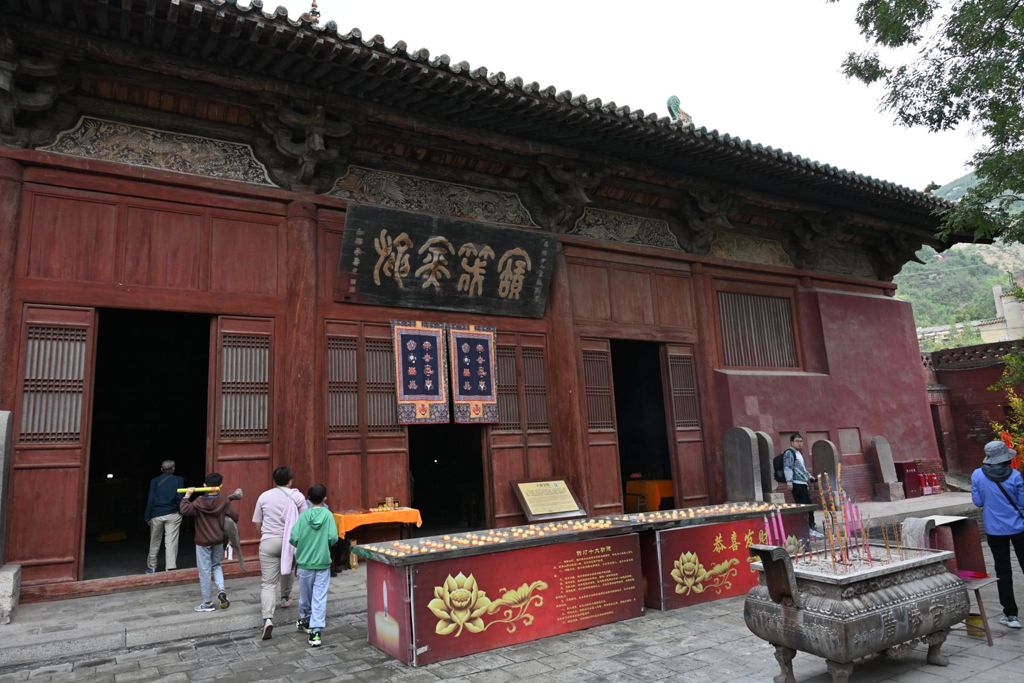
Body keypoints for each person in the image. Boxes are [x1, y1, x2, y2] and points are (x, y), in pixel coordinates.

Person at [971, 440, 1024, 629]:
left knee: (1003, 571)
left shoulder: (977, 475)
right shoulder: (1016, 476)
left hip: (994, 530)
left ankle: (1011, 615)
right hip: (1019, 528)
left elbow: (977, 501)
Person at [253, 466, 308, 640]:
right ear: (291, 480)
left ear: (274, 480)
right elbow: (304, 521)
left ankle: (268, 619)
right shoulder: (297, 496)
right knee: (288, 568)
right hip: (290, 542)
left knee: (268, 583)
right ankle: (285, 598)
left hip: (269, 541)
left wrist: (265, 534)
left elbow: (257, 522)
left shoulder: (264, 496)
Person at [179, 472, 238, 613]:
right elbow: (234, 516)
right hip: (218, 539)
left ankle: (207, 603)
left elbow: (184, 509)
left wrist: (187, 495)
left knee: (204, 571)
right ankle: (222, 591)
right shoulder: (224, 500)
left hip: (203, 541)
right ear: (220, 486)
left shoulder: (199, 501)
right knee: (216, 565)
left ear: (205, 486)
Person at [290, 483, 339, 648]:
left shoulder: (303, 516)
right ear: (325, 498)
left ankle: (305, 619)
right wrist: (323, 544)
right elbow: (333, 537)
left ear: (308, 498)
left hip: (304, 563)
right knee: (319, 597)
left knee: (305, 596)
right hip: (323, 562)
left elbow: (294, 537)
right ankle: (315, 631)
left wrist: (305, 545)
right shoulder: (328, 515)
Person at [144, 459, 184, 574]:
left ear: (161, 469)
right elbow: (179, 498)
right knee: (171, 542)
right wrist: (181, 511)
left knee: (154, 541)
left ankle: (152, 567)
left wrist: (147, 516)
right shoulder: (178, 480)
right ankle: (170, 567)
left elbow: (150, 499)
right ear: (173, 469)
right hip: (172, 514)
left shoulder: (154, 481)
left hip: (156, 514)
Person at [783, 433, 817, 531]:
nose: (800, 443)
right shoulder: (789, 453)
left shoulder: (798, 453)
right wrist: (789, 482)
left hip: (803, 483)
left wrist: (810, 477)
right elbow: (787, 467)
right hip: (796, 484)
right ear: (792, 442)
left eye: (801, 441)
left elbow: (802, 469)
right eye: (797, 441)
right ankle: (807, 527)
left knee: (808, 506)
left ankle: (810, 526)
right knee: (804, 507)